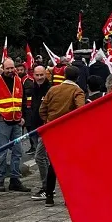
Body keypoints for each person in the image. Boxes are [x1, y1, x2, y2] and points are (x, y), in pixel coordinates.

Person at [38, 65, 85, 207]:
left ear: (64, 75)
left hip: (53, 131)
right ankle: (68, 197)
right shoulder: (77, 91)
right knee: (70, 165)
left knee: (53, 164)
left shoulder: (53, 89)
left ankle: (49, 196)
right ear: (78, 77)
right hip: (69, 133)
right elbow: (81, 110)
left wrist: (48, 122)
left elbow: (42, 109)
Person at [0, 58, 28, 192]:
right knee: (2, 152)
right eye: (7, 68)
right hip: (3, 122)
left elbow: (23, 101)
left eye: (12, 68)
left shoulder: (19, 81)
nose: (10, 71)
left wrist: (23, 116)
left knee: (17, 152)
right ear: (3, 68)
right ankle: (0, 180)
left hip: (17, 122)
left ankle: (15, 180)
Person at [27, 65, 53, 201]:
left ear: (46, 74)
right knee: (45, 158)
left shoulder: (50, 89)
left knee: (39, 157)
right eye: (37, 75)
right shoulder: (33, 88)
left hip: (45, 127)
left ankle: (46, 188)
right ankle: (49, 187)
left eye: (41, 75)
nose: (39, 78)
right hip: (35, 126)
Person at [17, 62, 36, 153]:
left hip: (28, 107)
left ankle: (33, 146)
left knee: (29, 128)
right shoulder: (18, 79)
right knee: (20, 128)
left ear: (25, 70)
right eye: (18, 70)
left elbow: (29, 93)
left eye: (21, 70)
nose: (20, 71)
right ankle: (18, 147)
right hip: (20, 107)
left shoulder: (27, 80)